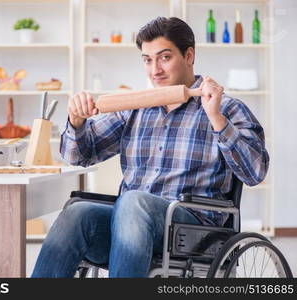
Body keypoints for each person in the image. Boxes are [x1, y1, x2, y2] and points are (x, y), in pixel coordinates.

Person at [31, 17, 269, 278]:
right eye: (147, 60)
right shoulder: (136, 108)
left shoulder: (227, 108)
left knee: (134, 202)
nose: (155, 69)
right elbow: (78, 157)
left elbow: (255, 173)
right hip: (128, 229)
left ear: (189, 55)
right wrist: (76, 122)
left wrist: (217, 120)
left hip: (193, 230)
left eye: (164, 57)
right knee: (77, 213)